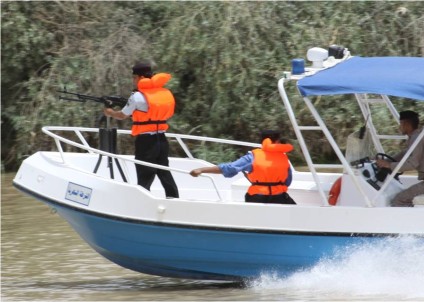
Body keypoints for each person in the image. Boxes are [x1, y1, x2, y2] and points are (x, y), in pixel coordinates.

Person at [103, 61, 179, 198]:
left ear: (140, 77)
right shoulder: (164, 92)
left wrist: (110, 112)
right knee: (164, 172)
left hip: (146, 142)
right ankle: (174, 199)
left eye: (134, 77)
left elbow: (122, 115)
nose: (133, 81)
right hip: (162, 140)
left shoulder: (137, 96)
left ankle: (142, 203)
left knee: (144, 174)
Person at [190, 130, 296, 205]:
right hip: (279, 197)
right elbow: (288, 181)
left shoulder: (252, 156)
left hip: (257, 197)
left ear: (263, 141)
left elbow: (230, 168)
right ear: (277, 142)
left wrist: (202, 169)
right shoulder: (283, 157)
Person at [375, 110, 424, 207]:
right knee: (404, 195)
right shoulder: (416, 136)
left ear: (407, 124)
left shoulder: (416, 139)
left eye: (401, 124)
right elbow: (406, 153)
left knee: (399, 200)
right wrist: (388, 161)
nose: (399, 127)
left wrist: (388, 165)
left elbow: (412, 164)